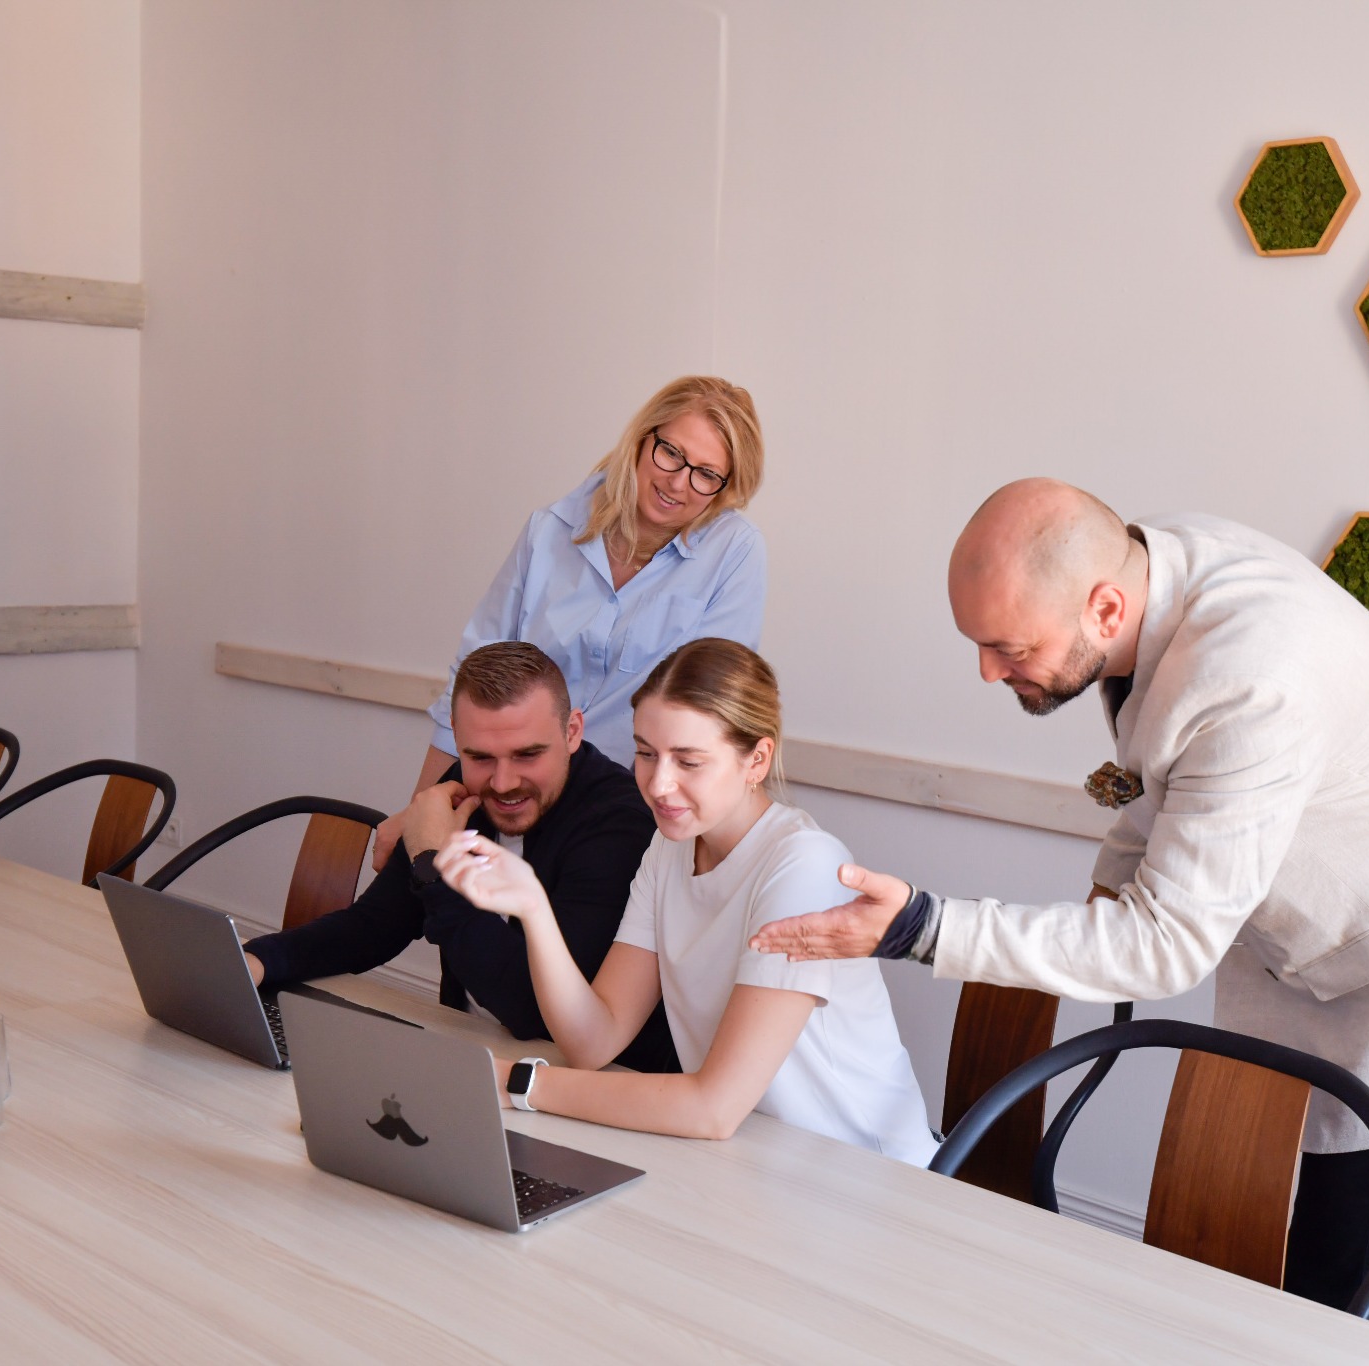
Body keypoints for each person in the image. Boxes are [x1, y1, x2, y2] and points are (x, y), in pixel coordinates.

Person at [750, 480, 1369, 1340]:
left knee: (1344, 1314)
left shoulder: (1251, 677)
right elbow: (1167, 781)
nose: (987, 671)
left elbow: (1166, 944)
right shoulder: (1155, 573)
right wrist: (1104, 893)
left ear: (1104, 606)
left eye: (1006, 646)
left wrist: (924, 927)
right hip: (1343, 972)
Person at [434, 639, 936, 1164]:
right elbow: (594, 1041)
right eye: (646, 754)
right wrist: (535, 908)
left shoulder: (802, 867)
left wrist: (518, 1084)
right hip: (757, 1160)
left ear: (756, 760)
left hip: (866, 1173)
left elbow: (712, 1109)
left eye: (689, 761)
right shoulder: (670, 848)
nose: (658, 784)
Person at [379, 377, 768, 874]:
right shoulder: (550, 530)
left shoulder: (734, 552)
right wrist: (422, 810)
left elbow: (712, 711)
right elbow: (471, 678)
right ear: (642, 439)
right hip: (516, 795)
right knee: (477, 939)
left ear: (726, 487)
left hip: (637, 820)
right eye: (671, 453)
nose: (678, 482)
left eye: (706, 474)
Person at [244, 642, 678, 1073]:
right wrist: (257, 960)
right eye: (480, 757)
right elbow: (372, 927)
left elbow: (531, 1012)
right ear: (457, 736)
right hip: (465, 1054)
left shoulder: (619, 824)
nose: (504, 782)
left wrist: (433, 866)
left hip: (576, 1081)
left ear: (572, 732)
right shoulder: (460, 789)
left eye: (528, 754)